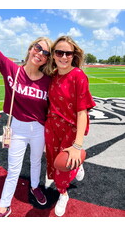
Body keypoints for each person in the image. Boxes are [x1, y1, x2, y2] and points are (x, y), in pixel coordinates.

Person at [0, 14, 53, 217]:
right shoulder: (11, 70)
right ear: (31, 48)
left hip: (39, 128)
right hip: (17, 127)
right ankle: (4, 205)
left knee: (36, 162)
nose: (40, 53)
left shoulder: (49, 80)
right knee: (14, 168)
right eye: (38, 47)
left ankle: (35, 187)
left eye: (45, 52)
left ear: (47, 58)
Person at [45, 36, 96, 216]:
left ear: (73, 55)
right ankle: (76, 165)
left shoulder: (78, 76)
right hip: (51, 127)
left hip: (70, 129)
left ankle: (63, 194)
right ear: (53, 54)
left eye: (68, 53)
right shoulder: (51, 75)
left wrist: (77, 145)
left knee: (62, 168)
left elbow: (83, 112)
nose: (64, 57)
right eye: (59, 52)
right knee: (52, 162)